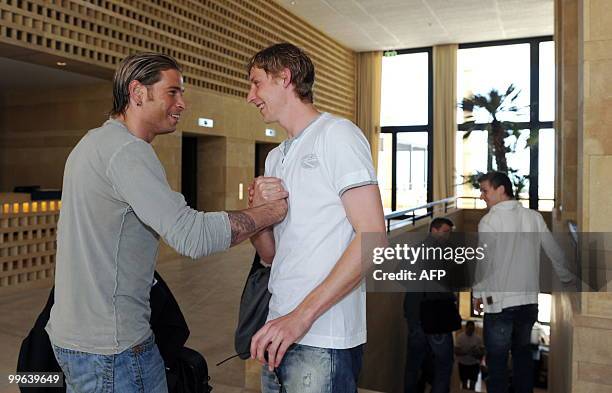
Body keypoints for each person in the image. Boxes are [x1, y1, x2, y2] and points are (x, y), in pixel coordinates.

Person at [45, 52, 288, 393]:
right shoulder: (127, 151)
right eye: (172, 92)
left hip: (76, 340)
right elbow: (191, 235)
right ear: (138, 92)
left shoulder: (93, 143)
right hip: (113, 349)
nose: (182, 103)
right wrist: (270, 213)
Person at [245, 43, 386, 392]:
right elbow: (270, 255)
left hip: (324, 338)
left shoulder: (337, 135)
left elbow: (373, 237)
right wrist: (255, 215)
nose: (250, 96)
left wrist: (300, 318)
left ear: (284, 78)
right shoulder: (275, 157)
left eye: (256, 83)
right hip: (278, 331)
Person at [473, 171, 573, 393]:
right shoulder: (533, 217)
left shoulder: (489, 221)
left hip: (499, 306)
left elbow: (484, 262)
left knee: (497, 365)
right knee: (523, 358)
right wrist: (566, 277)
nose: (482, 196)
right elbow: (554, 251)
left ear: (501, 190)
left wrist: (477, 294)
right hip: (528, 304)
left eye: (485, 190)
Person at [403, 217, 461, 393]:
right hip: (436, 317)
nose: (448, 236)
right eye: (445, 231)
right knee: (443, 364)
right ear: (434, 230)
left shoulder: (416, 249)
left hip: (415, 316)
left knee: (414, 363)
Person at [455, 321, 484, 391]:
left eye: (472, 329)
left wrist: (476, 353)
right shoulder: (460, 337)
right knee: (464, 384)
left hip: (474, 364)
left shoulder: (478, 338)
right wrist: (467, 352)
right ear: (466, 328)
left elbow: (482, 353)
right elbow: (456, 352)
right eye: (469, 328)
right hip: (463, 364)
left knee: (473, 384)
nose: (471, 330)